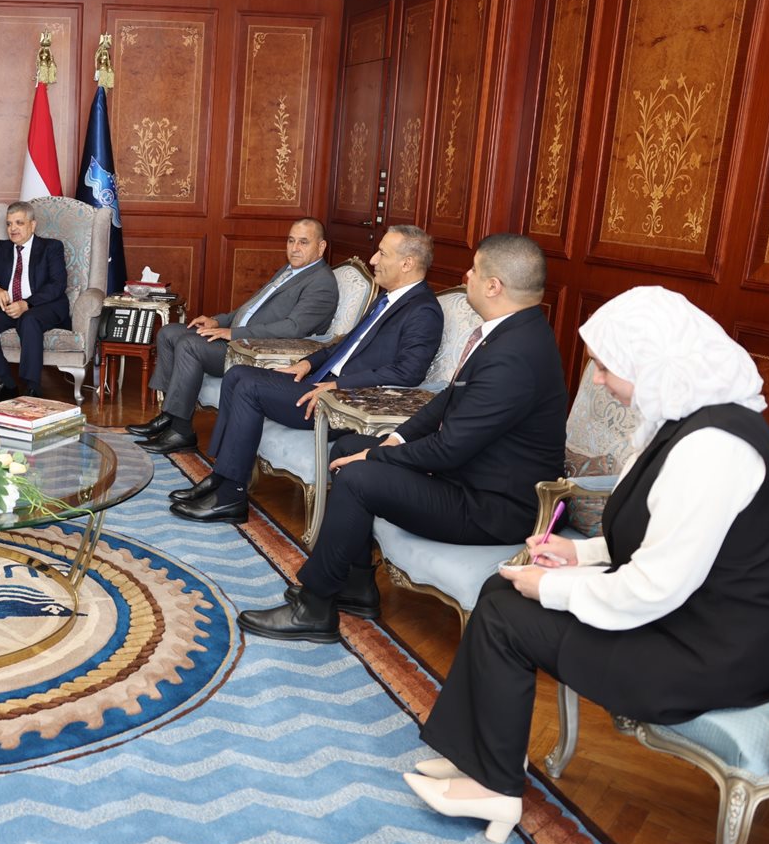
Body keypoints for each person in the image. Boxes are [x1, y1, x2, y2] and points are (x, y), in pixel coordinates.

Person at [404, 286, 769, 844]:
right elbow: (658, 540)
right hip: (684, 621)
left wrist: (552, 587)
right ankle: (480, 755)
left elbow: (656, 586)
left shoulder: (714, 447)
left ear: (653, 362)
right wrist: (578, 553)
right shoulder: (681, 422)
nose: (595, 380)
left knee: (506, 615)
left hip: (711, 653)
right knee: (499, 590)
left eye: (605, 366)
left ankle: (494, 787)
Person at [238, 233, 567, 640]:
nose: (465, 276)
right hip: (471, 477)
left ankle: (314, 607)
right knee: (350, 446)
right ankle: (356, 585)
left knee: (359, 476)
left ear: (494, 286)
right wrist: (394, 439)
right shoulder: (512, 333)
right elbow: (447, 400)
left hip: (491, 507)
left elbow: (449, 450)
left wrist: (376, 458)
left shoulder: (514, 356)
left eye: (474, 270)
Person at [169, 225, 445, 521]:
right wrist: (307, 363)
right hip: (320, 382)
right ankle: (223, 477)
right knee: (238, 375)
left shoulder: (423, 311)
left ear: (407, 263)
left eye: (382, 253)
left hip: (342, 402)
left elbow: (407, 373)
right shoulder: (388, 299)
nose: (374, 260)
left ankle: (230, 497)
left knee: (248, 385)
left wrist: (337, 385)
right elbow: (346, 344)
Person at [130, 218, 338, 452]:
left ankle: (181, 431)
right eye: (291, 241)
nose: (295, 248)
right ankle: (169, 415)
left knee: (189, 344)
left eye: (303, 242)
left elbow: (293, 328)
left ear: (321, 247)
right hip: (239, 338)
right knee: (169, 332)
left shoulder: (322, 283)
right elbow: (251, 308)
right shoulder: (290, 270)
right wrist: (219, 321)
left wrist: (233, 333)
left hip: (254, 351)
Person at [0, 201, 69, 405]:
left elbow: (57, 285)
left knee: (28, 320)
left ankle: (32, 387)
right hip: (10, 307)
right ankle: (6, 383)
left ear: (32, 225)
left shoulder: (51, 247)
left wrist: (27, 304)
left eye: (19, 223)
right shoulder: (2, 248)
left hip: (43, 307)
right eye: (9, 224)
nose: (13, 229)